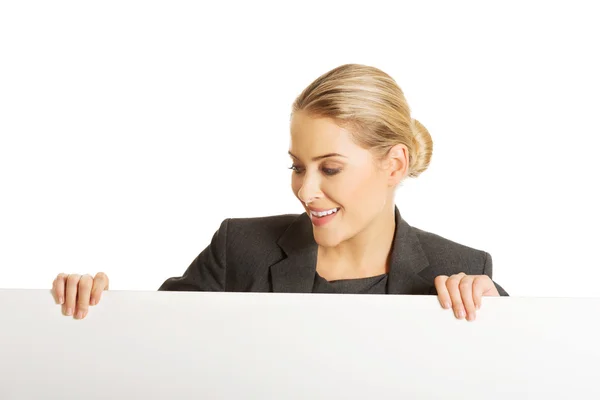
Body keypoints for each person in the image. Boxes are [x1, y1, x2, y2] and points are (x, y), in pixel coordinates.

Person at [51, 64, 508, 323]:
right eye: (297, 166)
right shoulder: (240, 249)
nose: (306, 190)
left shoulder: (460, 271)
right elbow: (151, 347)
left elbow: (516, 376)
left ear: (394, 164)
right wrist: (93, 308)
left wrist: (499, 317)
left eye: (330, 168)